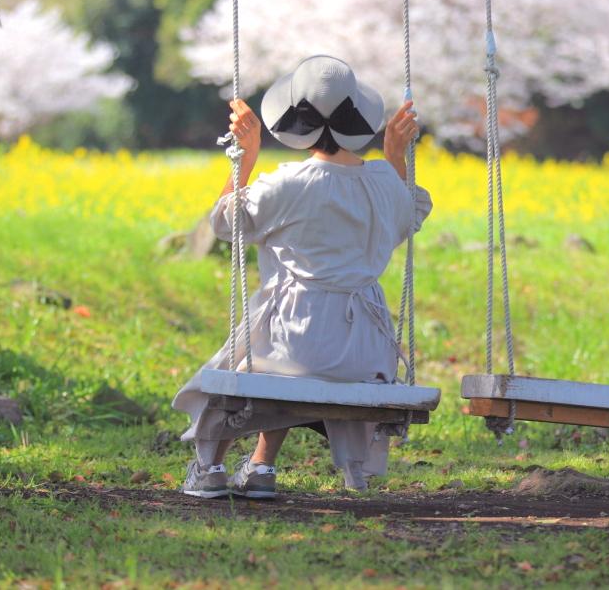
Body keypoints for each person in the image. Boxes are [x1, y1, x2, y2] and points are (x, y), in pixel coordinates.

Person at [173, 55, 431, 498]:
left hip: (297, 339)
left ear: (296, 120)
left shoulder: (288, 183)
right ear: (358, 118)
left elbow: (223, 224)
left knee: (246, 361)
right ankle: (261, 467)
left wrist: (246, 158)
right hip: (367, 351)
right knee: (287, 348)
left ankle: (209, 467)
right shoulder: (386, 183)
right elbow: (411, 214)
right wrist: (394, 158)